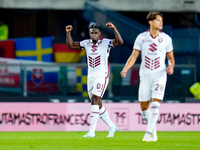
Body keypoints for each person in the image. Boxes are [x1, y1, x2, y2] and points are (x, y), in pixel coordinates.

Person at [121, 11, 175, 142]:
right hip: (145, 74)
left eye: (162, 20)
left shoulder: (166, 39)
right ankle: (153, 131)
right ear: (150, 22)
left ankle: (148, 133)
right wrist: (126, 68)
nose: (161, 22)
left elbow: (171, 58)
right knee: (144, 106)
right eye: (158, 20)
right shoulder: (141, 37)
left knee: (156, 103)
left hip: (160, 74)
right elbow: (134, 56)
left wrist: (171, 66)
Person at [65, 22, 123, 137]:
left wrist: (115, 29)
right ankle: (112, 126)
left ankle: (92, 131)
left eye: (96, 33)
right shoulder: (86, 43)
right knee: (97, 104)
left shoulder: (106, 43)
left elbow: (120, 42)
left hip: (102, 75)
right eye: (91, 33)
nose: (93, 35)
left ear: (100, 33)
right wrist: (68, 33)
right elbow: (71, 46)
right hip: (91, 76)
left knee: (95, 99)